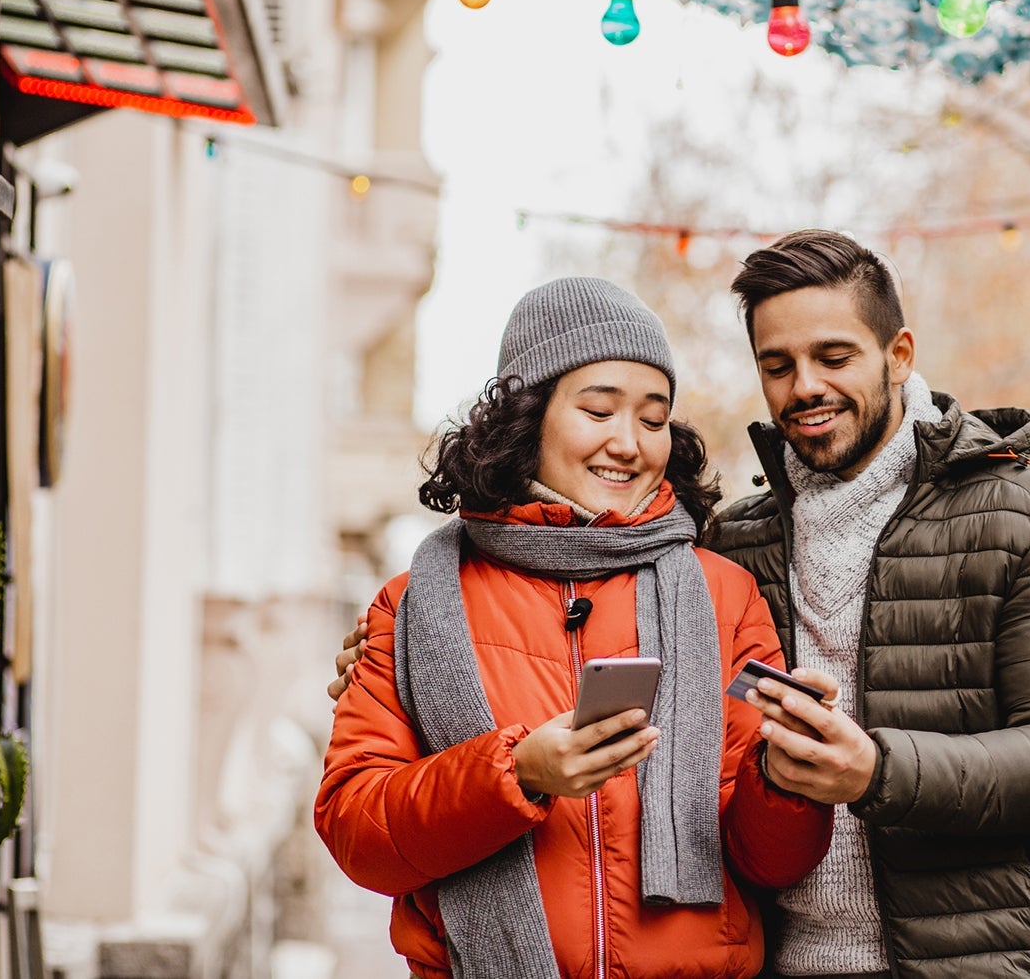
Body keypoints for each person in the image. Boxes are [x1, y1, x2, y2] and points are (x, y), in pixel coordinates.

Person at [331, 232, 1030, 979]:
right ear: (526, 415)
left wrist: (862, 771)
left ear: (900, 354)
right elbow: (360, 819)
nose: (805, 385)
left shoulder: (1027, 514)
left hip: (983, 959)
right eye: (777, 363)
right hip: (793, 959)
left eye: (834, 355)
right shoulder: (738, 542)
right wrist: (476, 730)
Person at [315, 277, 833, 979]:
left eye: (653, 419)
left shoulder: (722, 594)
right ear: (528, 418)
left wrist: (787, 778)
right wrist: (515, 773)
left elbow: (768, 862)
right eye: (598, 409)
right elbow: (358, 831)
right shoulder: (414, 605)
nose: (629, 443)